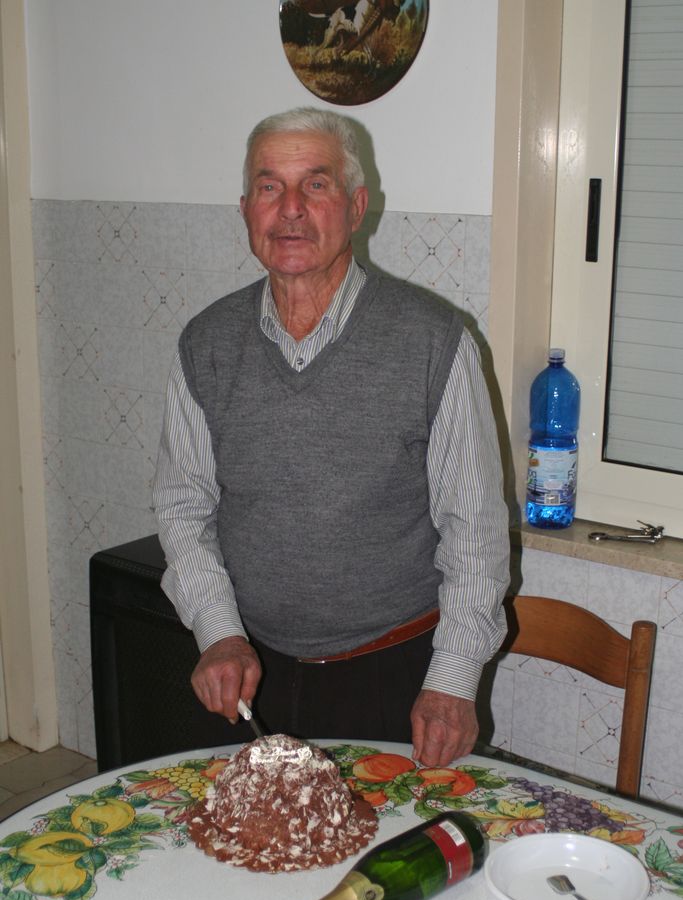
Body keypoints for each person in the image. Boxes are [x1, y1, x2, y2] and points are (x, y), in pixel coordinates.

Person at [153, 107, 510, 768]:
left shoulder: (434, 341)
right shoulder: (205, 343)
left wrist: (454, 680)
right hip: (248, 669)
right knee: (246, 834)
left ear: (356, 206)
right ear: (245, 211)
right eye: (269, 186)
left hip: (396, 675)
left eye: (315, 185)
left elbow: (475, 526)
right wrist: (217, 633)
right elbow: (182, 506)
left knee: (390, 838)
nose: (290, 208)